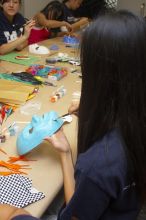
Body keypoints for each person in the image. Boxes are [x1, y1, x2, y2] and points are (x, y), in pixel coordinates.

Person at [1, 9, 146, 220]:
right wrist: (67, 150)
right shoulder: (134, 125)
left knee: (10, 211)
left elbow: (73, 211)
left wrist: (67, 155)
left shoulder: (98, 163)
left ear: (100, 78)